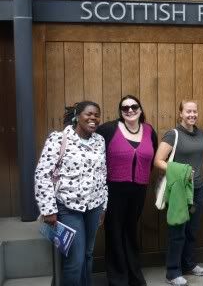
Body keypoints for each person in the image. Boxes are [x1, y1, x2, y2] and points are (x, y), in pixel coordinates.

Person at [34, 101, 107, 286]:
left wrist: (103, 206)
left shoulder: (99, 141)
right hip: (68, 208)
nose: (93, 118)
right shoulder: (59, 139)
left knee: (88, 254)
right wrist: (48, 209)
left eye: (97, 115)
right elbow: (43, 174)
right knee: (75, 260)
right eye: (89, 114)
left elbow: (102, 174)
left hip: (94, 206)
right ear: (77, 115)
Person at [96, 95, 158, 286]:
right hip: (114, 189)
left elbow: (151, 158)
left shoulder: (149, 130)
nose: (130, 110)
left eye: (134, 106)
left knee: (130, 231)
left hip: (139, 190)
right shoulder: (108, 129)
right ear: (120, 112)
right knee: (114, 232)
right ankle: (118, 279)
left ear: (140, 109)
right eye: (125, 108)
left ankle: (134, 276)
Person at [154, 100, 203, 286]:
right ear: (180, 114)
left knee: (192, 230)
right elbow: (158, 161)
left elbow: (200, 160)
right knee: (177, 232)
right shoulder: (173, 134)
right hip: (179, 191)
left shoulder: (201, 133)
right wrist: (182, 171)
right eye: (188, 111)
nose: (192, 115)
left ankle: (189, 264)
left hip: (198, 189)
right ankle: (173, 272)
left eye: (194, 111)